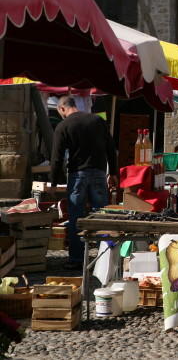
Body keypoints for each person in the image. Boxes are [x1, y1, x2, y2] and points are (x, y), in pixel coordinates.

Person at [49, 96, 118, 270]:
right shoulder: (97, 120)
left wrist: (53, 182)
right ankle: (105, 259)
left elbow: (56, 157)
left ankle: (77, 259)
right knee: (102, 216)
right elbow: (111, 147)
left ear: (62, 109)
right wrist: (114, 173)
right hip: (99, 173)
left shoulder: (63, 126)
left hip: (77, 174)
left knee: (76, 218)